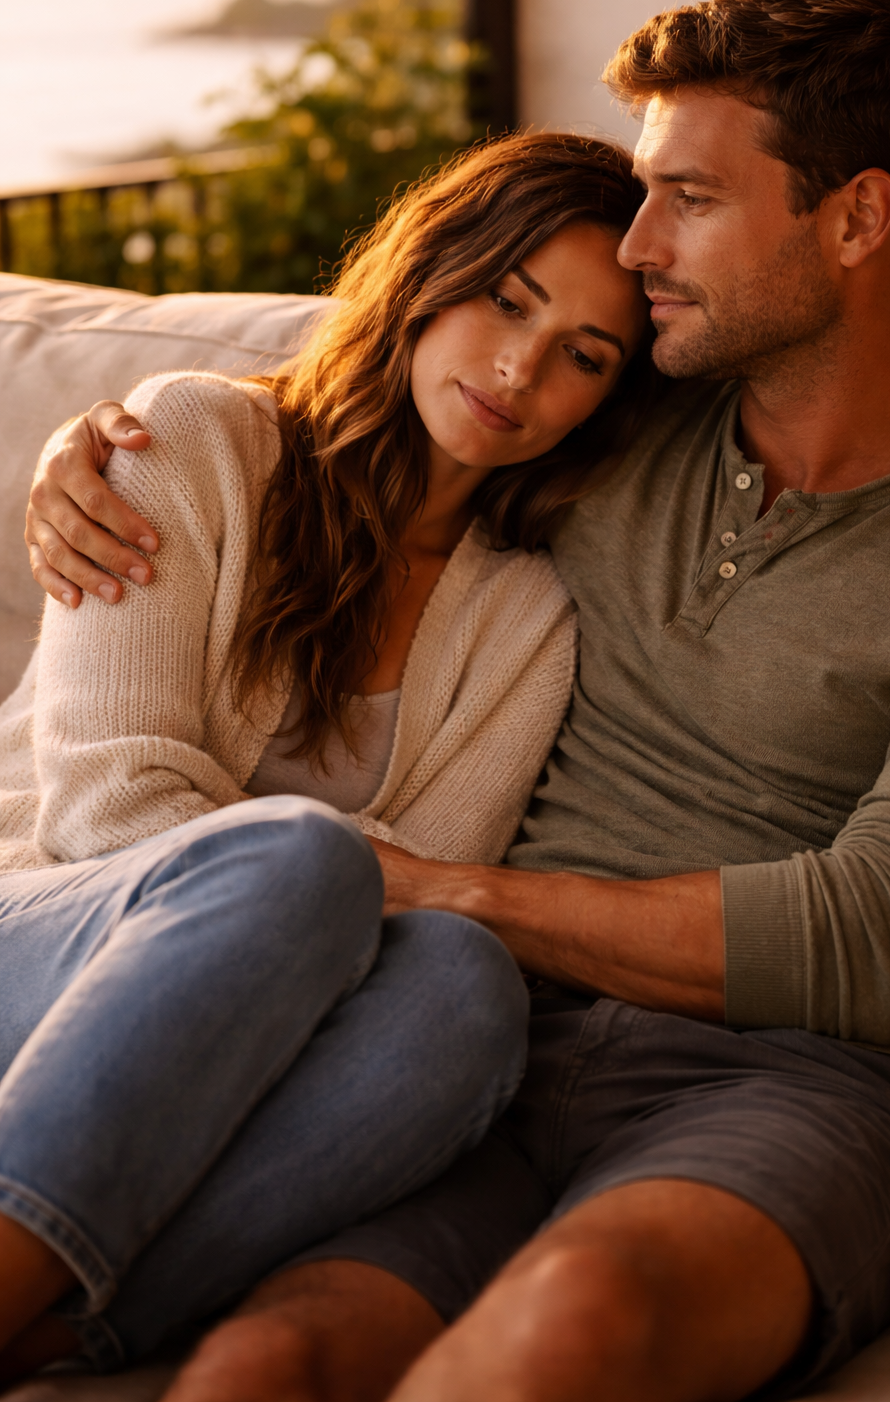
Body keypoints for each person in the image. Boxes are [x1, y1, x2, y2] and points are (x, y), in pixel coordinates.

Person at [27, 0, 890, 1402]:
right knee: (265, 1360)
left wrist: (441, 895)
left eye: (688, 197)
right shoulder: (614, 414)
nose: (639, 247)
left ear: (859, 219)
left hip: (796, 1083)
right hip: (474, 1043)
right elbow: (360, 398)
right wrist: (86, 454)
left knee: (569, 1323)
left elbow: (888, 934)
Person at [0, 133, 654, 1387]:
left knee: (466, 984)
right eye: (505, 298)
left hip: (235, 1046)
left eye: (583, 355)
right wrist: (317, 878)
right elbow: (100, 808)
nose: (519, 370)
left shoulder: (529, 617)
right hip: (38, 942)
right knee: (303, 862)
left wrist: (338, 893)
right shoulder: (186, 439)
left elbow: (433, 901)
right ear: (432, 267)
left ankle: (56, 1327)